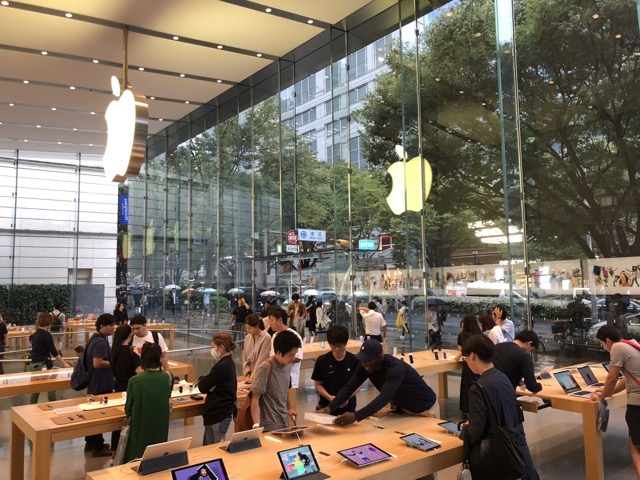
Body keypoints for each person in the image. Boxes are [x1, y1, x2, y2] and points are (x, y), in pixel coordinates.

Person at [460, 334, 539, 480]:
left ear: (473, 356)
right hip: (510, 442)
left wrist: (465, 429)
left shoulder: (478, 388)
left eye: (465, 358)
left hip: (491, 454)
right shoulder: (503, 378)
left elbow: (476, 431)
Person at [319, 339, 437, 425]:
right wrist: (330, 408)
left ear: (379, 356)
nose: (364, 364)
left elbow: (384, 398)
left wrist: (357, 416)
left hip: (425, 409)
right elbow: (349, 387)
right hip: (404, 410)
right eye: (362, 359)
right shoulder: (364, 366)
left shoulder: (395, 369)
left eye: (368, 360)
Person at [591, 326, 640, 477]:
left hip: (637, 404)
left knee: (635, 446)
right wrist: (608, 392)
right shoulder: (632, 344)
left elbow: (612, 378)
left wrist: (602, 396)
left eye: (601, 343)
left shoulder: (617, 347)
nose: (603, 347)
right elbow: (627, 378)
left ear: (608, 340)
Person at [124, 342, 173, 463]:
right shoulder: (168, 377)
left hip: (140, 425)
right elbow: (167, 396)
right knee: (157, 453)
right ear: (160, 358)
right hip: (161, 424)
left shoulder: (135, 381)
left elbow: (128, 409)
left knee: (138, 455)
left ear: (143, 358)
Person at [250, 330, 302, 432]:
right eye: (291, 355)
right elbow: (255, 398)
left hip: (282, 422)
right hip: (267, 426)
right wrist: (256, 425)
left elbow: (284, 389)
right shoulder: (265, 368)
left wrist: (289, 408)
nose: (293, 358)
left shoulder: (288, 365)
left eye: (295, 354)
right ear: (278, 353)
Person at [85, 314, 116, 457]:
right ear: (102, 326)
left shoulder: (94, 338)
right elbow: (97, 363)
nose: (113, 328)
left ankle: (90, 442)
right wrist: (114, 363)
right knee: (100, 414)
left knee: (94, 412)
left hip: (95, 381)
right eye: (111, 325)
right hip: (101, 382)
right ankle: (98, 446)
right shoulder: (101, 342)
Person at [198, 333, 238, 445]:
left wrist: (206, 383)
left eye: (213, 347)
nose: (212, 350)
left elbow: (203, 386)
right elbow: (208, 383)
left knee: (214, 450)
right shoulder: (229, 363)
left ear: (221, 347)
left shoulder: (222, 366)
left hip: (218, 414)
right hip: (221, 413)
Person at [311, 325, 359, 415]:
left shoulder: (354, 360)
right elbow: (317, 385)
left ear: (345, 343)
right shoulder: (322, 360)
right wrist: (330, 398)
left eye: (340, 346)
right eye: (333, 345)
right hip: (326, 406)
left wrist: (345, 398)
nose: (337, 349)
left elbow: (358, 385)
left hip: (348, 408)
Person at [110, 324, 142, 455]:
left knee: (118, 421)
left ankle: (115, 450)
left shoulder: (114, 351)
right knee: (130, 419)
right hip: (130, 389)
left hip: (117, 388)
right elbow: (140, 373)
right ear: (130, 335)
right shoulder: (130, 353)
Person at [28, 312, 71, 403]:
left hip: (34, 364)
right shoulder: (46, 335)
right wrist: (64, 363)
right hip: (43, 364)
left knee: (35, 390)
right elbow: (53, 351)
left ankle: (31, 408)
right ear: (49, 323)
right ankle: (52, 406)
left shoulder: (35, 334)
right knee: (51, 387)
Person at [269, 307, 303, 389]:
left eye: (271, 320)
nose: (270, 323)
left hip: (289, 378)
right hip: (276, 376)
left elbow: (298, 358)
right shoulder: (275, 336)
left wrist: (281, 361)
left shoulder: (294, 336)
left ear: (279, 320)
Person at [456, 314, 482, 418]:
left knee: (467, 387)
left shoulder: (462, 335)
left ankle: (466, 409)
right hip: (480, 364)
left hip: (468, 364)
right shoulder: (480, 335)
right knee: (479, 385)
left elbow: (461, 350)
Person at [242, 314, 271, 381]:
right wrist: (247, 372)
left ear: (257, 326)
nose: (248, 330)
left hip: (260, 371)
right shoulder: (248, 337)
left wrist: (252, 377)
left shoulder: (266, 337)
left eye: (250, 328)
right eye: (246, 328)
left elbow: (262, 359)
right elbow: (245, 356)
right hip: (248, 372)